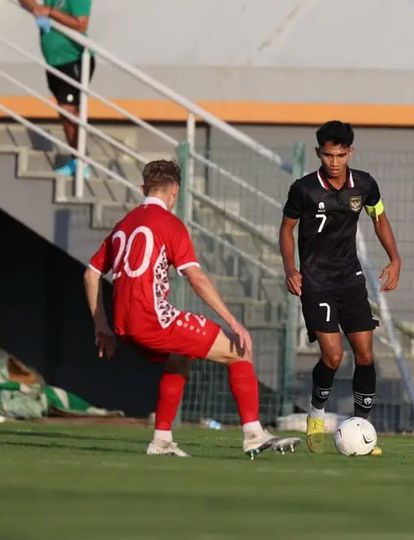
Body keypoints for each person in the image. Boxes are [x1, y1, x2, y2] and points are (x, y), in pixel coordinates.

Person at [83, 160, 300, 458]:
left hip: (123, 324)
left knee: (180, 358)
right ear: (175, 191)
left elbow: (90, 274)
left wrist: (101, 326)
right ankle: (253, 433)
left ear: (143, 189)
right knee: (240, 351)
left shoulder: (125, 224)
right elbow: (196, 277)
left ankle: (161, 440)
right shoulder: (169, 224)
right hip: (154, 319)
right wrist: (232, 321)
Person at [279, 120, 401, 455]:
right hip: (316, 281)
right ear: (319, 152)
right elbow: (287, 229)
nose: (334, 161)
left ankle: (363, 430)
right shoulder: (303, 189)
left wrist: (395, 259)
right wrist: (291, 269)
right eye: (328, 154)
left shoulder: (364, 185)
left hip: (350, 278)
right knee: (332, 357)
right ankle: (315, 416)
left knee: (365, 354)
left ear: (350, 152)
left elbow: (379, 218)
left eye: (341, 154)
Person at [21, 0, 95, 178]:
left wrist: (49, 12)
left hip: (74, 60)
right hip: (55, 62)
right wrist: (35, 7)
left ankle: (82, 161)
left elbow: (81, 23)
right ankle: (76, 159)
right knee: (65, 112)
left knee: (69, 110)